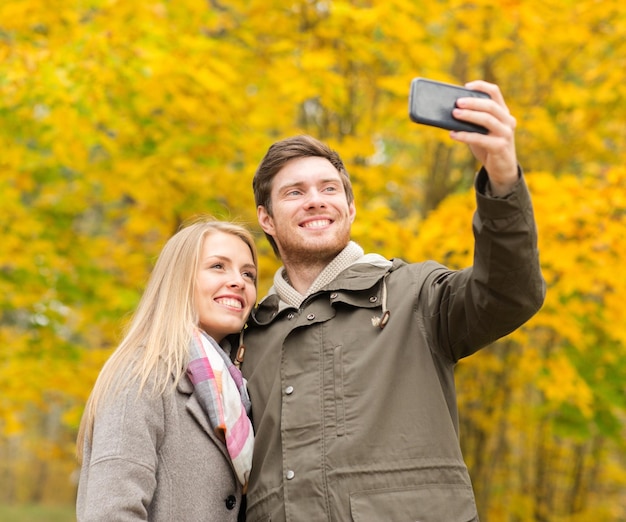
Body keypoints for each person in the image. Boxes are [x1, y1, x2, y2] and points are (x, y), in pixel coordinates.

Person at [239, 81, 546, 521]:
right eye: (294, 192)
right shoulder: (248, 338)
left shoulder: (416, 294)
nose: (315, 202)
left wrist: (501, 176)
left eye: (329, 189)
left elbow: (510, 292)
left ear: (350, 208)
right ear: (266, 218)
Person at [76, 218, 258, 522]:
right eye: (217, 266)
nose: (238, 281)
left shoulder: (234, 389)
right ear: (179, 279)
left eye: (248, 274)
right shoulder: (142, 374)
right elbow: (112, 512)